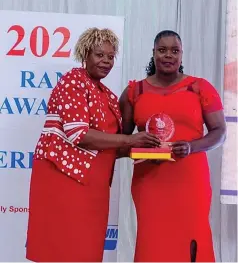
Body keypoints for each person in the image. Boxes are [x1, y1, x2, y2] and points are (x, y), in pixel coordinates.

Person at [26, 28, 160, 262]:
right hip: (65, 178)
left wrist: (152, 149)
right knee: (63, 249)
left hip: (94, 182)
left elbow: (110, 145)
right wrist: (131, 140)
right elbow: (79, 134)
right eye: (99, 55)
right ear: (85, 54)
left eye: (110, 56)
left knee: (87, 250)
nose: (106, 61)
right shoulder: (73, 81)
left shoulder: (106, 94)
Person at [119, 30, 226, 262]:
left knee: (192, 237)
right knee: (153, 242)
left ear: (182, 54)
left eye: (174, 50)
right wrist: (141, 146)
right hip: (150, 181)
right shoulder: (133, 92)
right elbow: (121, 141)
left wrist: (192, 146)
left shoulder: (200, 88)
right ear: (153, 53)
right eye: (162, 50)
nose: (168, 55)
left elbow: (220, 132)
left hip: (190, 181)